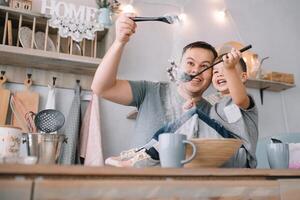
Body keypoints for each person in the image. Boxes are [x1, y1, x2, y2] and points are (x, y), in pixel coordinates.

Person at [91, 13, 218, 162]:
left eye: (204, 66)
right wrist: (119, 41)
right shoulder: (149, 91)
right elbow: (101, 88)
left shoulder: (213, 114)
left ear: (212, 74)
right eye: (190, 63)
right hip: (140, 182)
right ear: (177, 67)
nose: (196, 70)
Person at [105, 47, 258, 168]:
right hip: (219, 157)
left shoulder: (243, 100)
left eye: (226, 71)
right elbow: (206, 134)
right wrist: (188, 117)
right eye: (216, 72)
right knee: (186, 120)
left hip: (239, 155)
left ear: (243, 77)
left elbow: (238, 98)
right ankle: (140, 152)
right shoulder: (214, 107)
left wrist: (229, 68)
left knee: (192, 116)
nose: (220, 75)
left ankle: (141, 159)